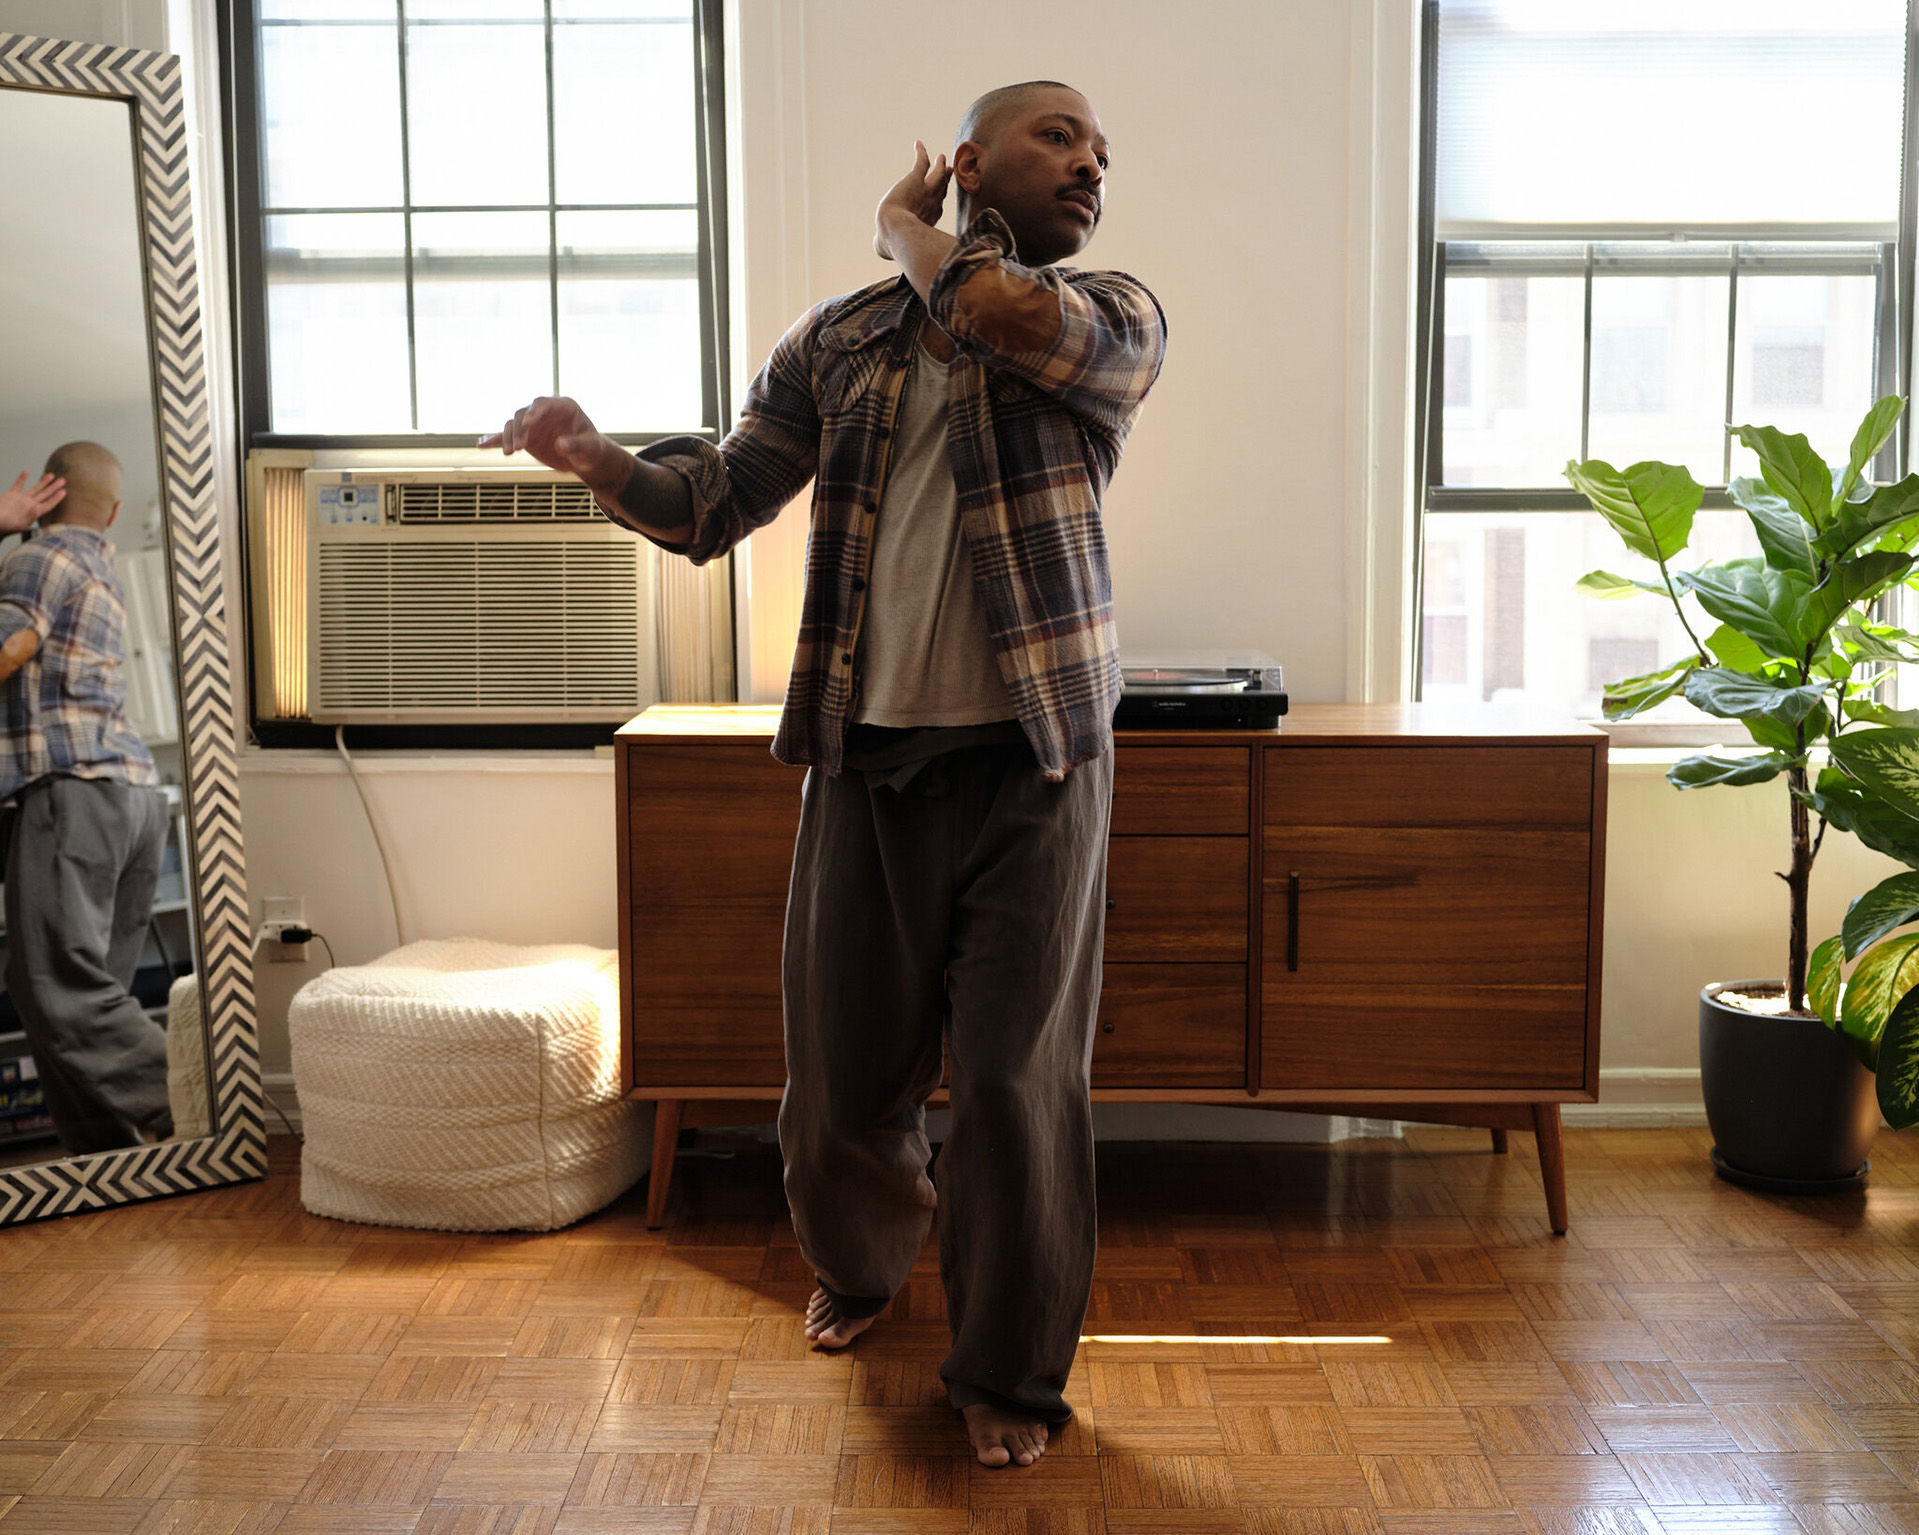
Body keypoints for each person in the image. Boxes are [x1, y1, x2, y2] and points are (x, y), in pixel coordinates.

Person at [485, 81, 1166, 1467]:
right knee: (839, 1083)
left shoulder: (1109, 316)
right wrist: (597, 455)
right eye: (1060, 137)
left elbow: (1002, 315)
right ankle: (861, 1265)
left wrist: (905, 231)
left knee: (1016, 1093)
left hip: (1035, 765)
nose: (1091, 164)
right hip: (862, 763)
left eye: (1100, 152)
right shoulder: (841, 341)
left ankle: (1006, 1376)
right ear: (974, 158)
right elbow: (716, 501)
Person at [0, 441, 172, 1153]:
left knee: (62, 991)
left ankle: (211, 1112)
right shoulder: (103, 566)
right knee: (71, 1003)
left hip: (73, 793)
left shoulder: (39, 557)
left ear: (49, 490)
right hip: (131, 797)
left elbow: (7, 648)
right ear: (114, 510)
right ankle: (106, 1164)